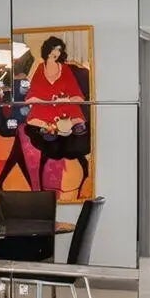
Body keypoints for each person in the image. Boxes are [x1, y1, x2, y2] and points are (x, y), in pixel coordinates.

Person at [15, 35, 91, 195]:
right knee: (39, 126)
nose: (56, 53)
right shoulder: (40, 68)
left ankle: (66, 133)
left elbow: (78, 95)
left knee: (74, 129)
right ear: (47, 51)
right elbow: (31, 96)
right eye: (53, 49)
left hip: (65, 109)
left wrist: (66, 99)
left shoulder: (66, 70)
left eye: (59, 50)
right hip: (45, 110)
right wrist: (46, 101)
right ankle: (50, 131)